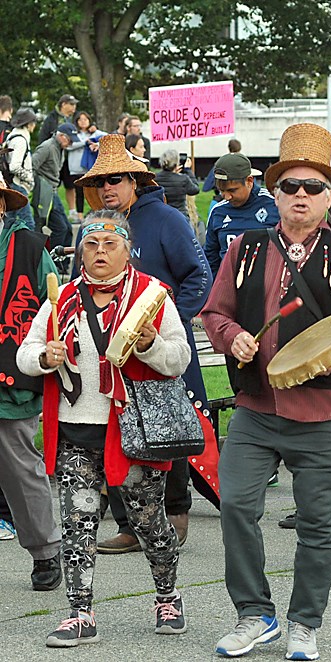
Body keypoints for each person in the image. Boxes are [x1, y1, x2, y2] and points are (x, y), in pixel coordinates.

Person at [202, 123, 331, 661]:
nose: (301, 196)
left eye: (313, 188)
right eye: (290, 187)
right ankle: (255, 614)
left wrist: (313, 363)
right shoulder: (247, 249)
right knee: (235, 506)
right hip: (255, 408)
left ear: (330, 196)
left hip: (320, 410)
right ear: (273, 193)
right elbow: (213, 312)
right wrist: (234, 341)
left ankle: (304, 622)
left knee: (320, 524)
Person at [18, 212, 191, 646]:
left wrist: (150, 344)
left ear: (126, 249)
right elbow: (27, 352)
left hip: (135, 431)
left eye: (109, 245)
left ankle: (168, 596)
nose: (99, 253)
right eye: (91, 245)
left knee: (150, 524)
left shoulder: (150, 296)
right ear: (80, 252)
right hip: (76, 429)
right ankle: (80, 613)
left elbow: (180, 357)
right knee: (77, 526)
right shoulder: (61, 297)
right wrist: (44, 359)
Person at [75, 133, 216, 554]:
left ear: (136, 181)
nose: (107, 188)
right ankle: (127, 523)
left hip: (160, 347)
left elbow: (199, 277)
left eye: (116, 179)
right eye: (101, 181)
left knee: (165, 429)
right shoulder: (96, 228)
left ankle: (174, 515)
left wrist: (170, 319)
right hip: (108, 351)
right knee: (114, 432)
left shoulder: (167, 220)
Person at [0, 177, 62, 591]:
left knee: (21, 470)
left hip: (10, 378)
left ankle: (45, 552)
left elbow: (54, 307)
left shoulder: (29, 247)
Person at [204, 152, 279, 277]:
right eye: (222, 191)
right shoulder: (218, 212)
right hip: (229, 289)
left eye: (232, 190)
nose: (227, 197)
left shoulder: (275, 205)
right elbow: (211, 257)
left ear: (249, 181)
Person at [32, 124, 77, 254]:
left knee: (68, 229)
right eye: (70, 140)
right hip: (45, 192)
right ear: (61, 136)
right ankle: (50, 259)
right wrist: (39, 188)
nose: (71, 143)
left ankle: (63, 264)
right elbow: (32, 166)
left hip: (54, 191)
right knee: (60, 228)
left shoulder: (61, 148)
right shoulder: (47, 147)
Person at [4, 107, 38, 230]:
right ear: (29, 124)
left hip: (11, 184)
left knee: (9, 223)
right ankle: (30, 249)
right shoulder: (21, 140)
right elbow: (15, 166)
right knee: (28, 224)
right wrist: (28, 177)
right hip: (18, 185)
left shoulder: (12, 136)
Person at [65, 111, 100, 221]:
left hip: (90, 167)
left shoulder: (94, 133)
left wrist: (95, 132)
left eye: (85, 119)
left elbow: (104, 138)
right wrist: (85, 142)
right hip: (76, 168)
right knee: (79, 192)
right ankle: (79, 216)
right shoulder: (73, 134)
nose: (83, 122)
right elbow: (69, 145)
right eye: (80, 119)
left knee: (93, 191)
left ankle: (95, 212)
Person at [157, 149, 200, 221]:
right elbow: (195, 190)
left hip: (161, 216)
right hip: (180, 216)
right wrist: (188, 170)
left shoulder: (155, 178)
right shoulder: (183, 179)